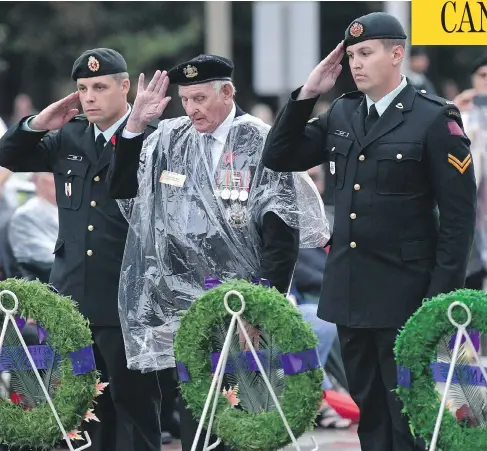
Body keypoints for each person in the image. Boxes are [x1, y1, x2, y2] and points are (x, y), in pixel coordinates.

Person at [262, 11, 477, 451]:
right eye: (352, 55)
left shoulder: (434, 118)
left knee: (410, 417)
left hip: (407, 296)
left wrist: (440, 301)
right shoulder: (342, 111)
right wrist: (308, 93)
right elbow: (280, 155)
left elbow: (459, 219)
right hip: (350, 293)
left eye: (366, 52)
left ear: (396, 54)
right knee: (370, 413)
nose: (356, 63)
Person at [107, 54, 329, 451]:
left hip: (244, 306)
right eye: (185, 100)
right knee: (198, 417)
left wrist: (261, 309)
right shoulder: (171, 138)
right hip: (188, 310)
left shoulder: (260, 139)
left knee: (245, 418)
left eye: (200, 99)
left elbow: (283, 235)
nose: (191, 109)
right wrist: (136, 124)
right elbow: (125, 191)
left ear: (226, 92)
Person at [0, 48, 162, 451]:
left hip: (127, 303)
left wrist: (135, 131)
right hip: (73, 301)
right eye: (82, 89)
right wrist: (39, 123)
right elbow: (9, 156)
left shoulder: (153, 137)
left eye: (100, 87)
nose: (89, 97)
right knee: (81, 409)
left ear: (125, 87)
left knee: (133, 407)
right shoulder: (70, 135)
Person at [8, 172, 58, 282]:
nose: (59, 179)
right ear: (36, 180)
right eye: (51, 174)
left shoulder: (71, 213)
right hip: (48, 285)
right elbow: (42, 260)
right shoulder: (25, 215)